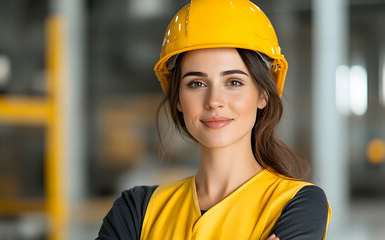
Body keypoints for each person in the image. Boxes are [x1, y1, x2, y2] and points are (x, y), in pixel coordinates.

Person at [96, 0, 331, 239]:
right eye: (196, 83)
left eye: (233, 82)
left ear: (263, 95)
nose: (214, 100)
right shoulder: (138, 209)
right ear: (178, 98)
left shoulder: (296, 204)